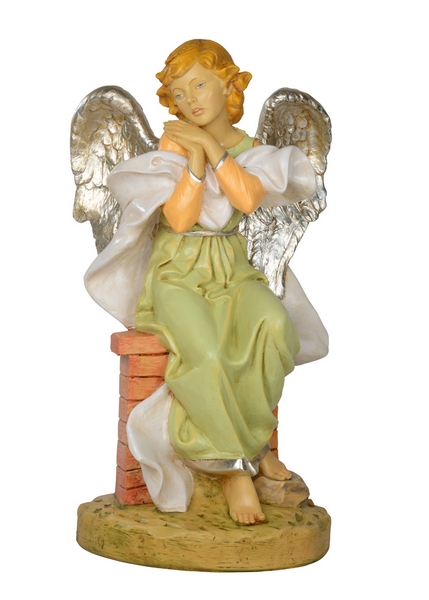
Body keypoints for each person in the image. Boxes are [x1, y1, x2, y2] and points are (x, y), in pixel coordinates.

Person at [85, 39, 326, 525]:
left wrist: (212, 147)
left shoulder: (252, 150)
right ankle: (233, 470)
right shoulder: (172, 144)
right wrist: (192, 158)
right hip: (176, 272)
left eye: (200, 85)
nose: (190, 100)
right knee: (209, 354)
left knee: (275, 327)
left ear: (229, 85)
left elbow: (247, 197)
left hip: (231, 269)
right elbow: (179, 218)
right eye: (179, 93)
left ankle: (255, 445)